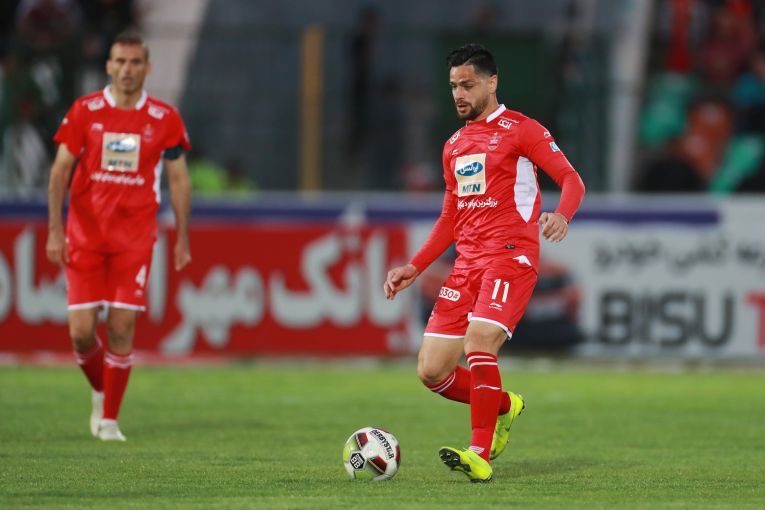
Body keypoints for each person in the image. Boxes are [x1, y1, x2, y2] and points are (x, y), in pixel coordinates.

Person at [384, 43, 585, 482]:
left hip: (510, 256)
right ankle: (504, 404)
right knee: (432, 371)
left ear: (492, 82)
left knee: (479, 343)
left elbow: (571, 179)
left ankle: (479, 453)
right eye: (454, 85)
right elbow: (450, 218)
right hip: (466, 265)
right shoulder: (454, 146)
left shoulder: (522, 129)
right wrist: (415, 266)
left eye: (468, 84)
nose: (459, 94)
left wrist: (562, 215)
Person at [45, 30, 192, 441]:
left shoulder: (164, 118)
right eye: (120, 62)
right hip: (86, 235)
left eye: (135, 62)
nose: (127, 70)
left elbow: (179, 180)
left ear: (148, 68)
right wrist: (55, 230)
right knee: (81, 333)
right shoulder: (85, 111)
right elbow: (60, 171)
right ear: (109, 66)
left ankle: (109, 422)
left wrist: (182, 236)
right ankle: (101, 390)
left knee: (122, 325)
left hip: (135, 238)